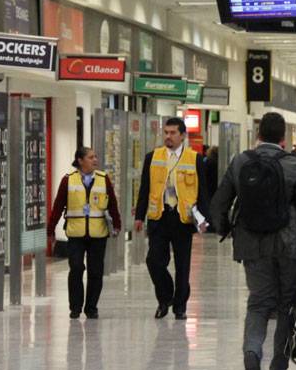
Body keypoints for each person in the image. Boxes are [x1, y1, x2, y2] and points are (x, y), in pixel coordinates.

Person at [210, 112, 296, 370]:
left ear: (258, 135)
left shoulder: (240, 162)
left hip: (252, 243)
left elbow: (219, 202)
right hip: (289, 246)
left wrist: (225, 229)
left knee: (258, 302)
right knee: (286, 306)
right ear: (284, 138)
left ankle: (251, 352)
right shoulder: (294, 165)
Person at [134, 118, 209, 320]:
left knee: (183, 265)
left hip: (182, 218)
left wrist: (204, 219)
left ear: (183, 135)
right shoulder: (153, 157)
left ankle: (180, 306)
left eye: (173, 133)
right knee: (154, 261)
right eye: (166, 132)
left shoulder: (195, 159)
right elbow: (145, 188)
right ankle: (165, 297)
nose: (168, 136)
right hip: (159, 216)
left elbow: (202, 192)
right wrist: (139, 216)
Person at [48, 147, 122, 319]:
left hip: (98, 234)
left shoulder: (104, 180)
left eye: (95, 156)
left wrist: (117, 225)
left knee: (96, 271)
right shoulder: (68, 180)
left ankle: (91, 307)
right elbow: (58, 206)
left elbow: (112, 205)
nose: (95, 160)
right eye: (90, 157)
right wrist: (51, 230)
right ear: (80, 161)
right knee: (76, 268)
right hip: (76, 234)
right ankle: (75, 307)